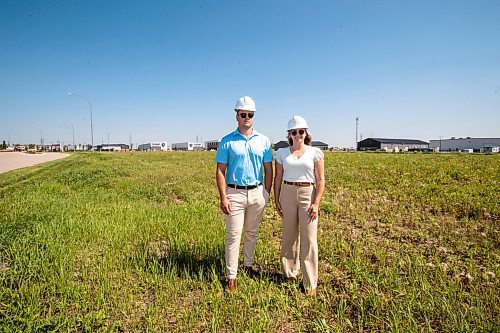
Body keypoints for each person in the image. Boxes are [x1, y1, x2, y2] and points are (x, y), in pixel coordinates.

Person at [215, 96, 273, 291]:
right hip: (234, 194)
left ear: (254, 116)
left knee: (252, 233)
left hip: (257, 193)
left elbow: (269, 169)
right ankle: (231, 276)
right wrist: (223, 196)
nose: (246, 118)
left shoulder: (264, 141)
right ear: (236, 116)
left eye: (250, 115)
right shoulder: (227, 141)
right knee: (233, 235)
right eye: (243, 114)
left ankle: (248, 266)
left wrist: (266, 193)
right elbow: (220, 171)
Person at [274, 115, 325, 296]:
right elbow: (278, 178)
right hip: (287, 194)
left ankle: (310, 282)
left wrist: (316, 203)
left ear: (306, 133)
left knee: (309, 239)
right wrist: (276, 198)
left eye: (301, 132)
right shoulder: (281, 153)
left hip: (307, 195)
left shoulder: (315, 153)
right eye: (294, 132)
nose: (298, 135)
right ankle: (290, 273)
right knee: (289, 236)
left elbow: (320, 180)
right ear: (289, 134)